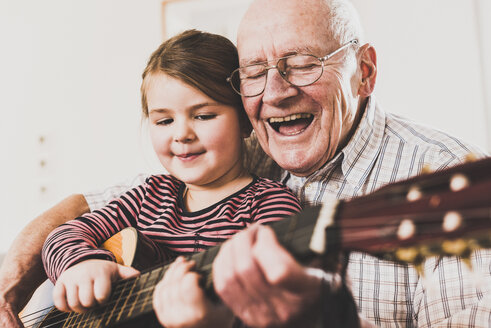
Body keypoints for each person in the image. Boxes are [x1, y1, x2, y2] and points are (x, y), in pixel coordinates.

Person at [0, 0, 490, 327]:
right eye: (255, 72)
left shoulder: (433, 173)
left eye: (301, 64)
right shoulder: (211, 164)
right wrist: (23, 287)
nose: (275, 93)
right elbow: (75, 215)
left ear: (363, 72)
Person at [40, 29, 301, 327]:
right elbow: (62, 235)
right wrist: (83, 264)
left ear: (244, 120)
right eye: (164, 121)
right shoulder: (150, 195)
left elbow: (274, 307)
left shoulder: (269, 204)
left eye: (203, 116)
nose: (181, 135)